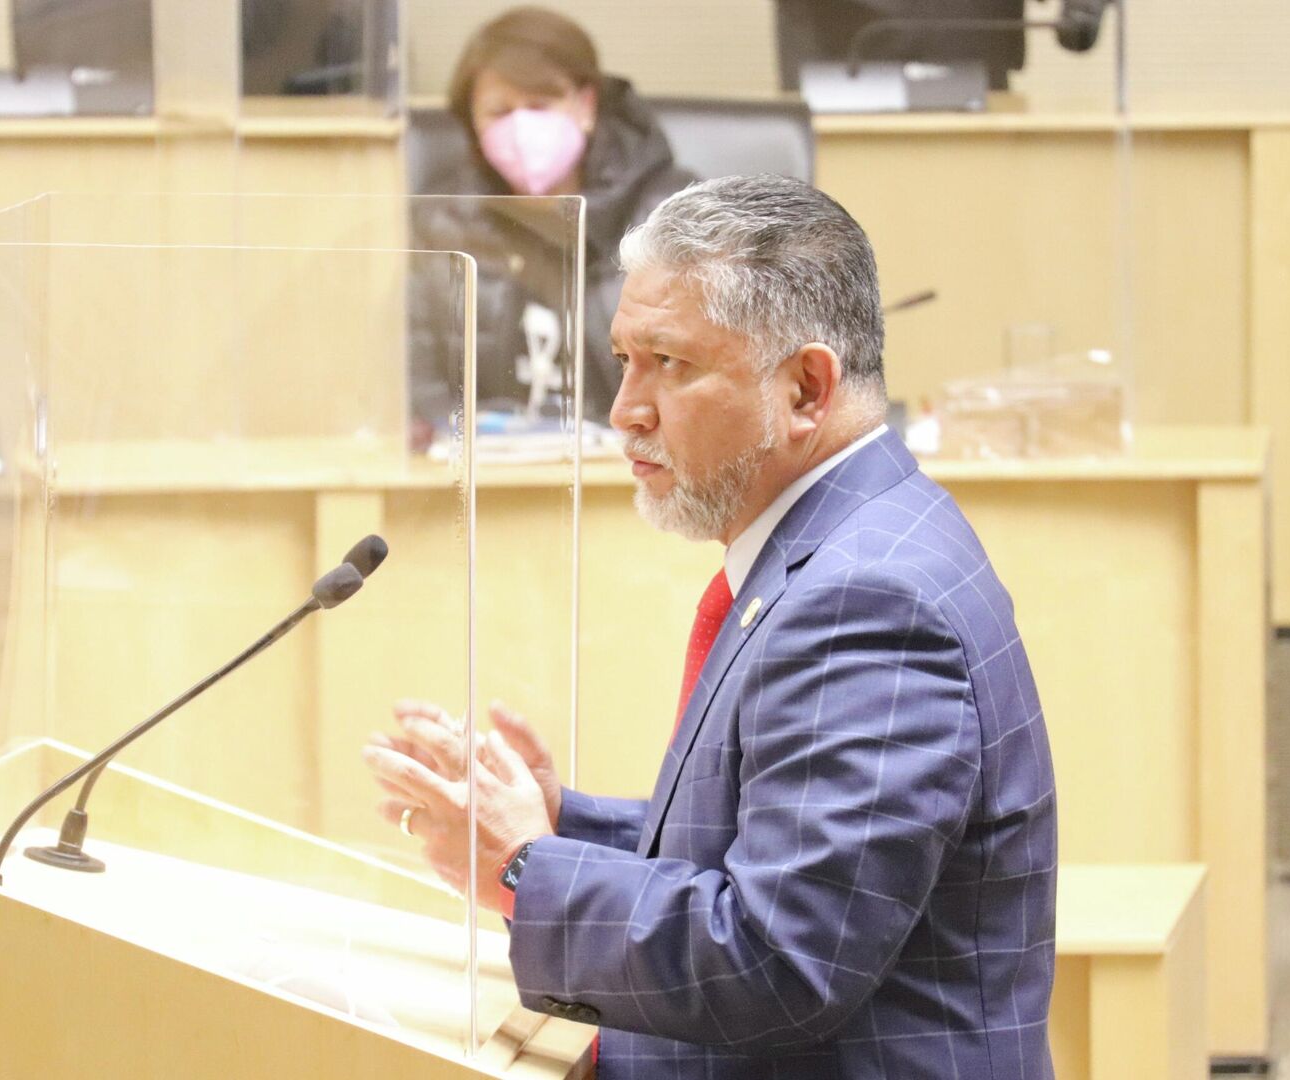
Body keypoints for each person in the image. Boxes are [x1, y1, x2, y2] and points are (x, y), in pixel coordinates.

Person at [366, 174, 1057, 1079]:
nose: (626, 410)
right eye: (624, 360)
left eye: (671, 364)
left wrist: (525, 865)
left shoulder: (869, 601)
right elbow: (768, 849)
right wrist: (558, 823)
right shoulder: (846, 542)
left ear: (806, 387)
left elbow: (779, 962)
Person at [409, 6, 696, 431]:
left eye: (540, 105)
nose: (522, 126)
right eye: (500, 112)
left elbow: (701, 368)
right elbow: (413, 375)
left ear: (586, 105)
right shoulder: (437, 224)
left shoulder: (674, 211)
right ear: (473, 123)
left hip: (636, 452)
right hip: (483, 461)